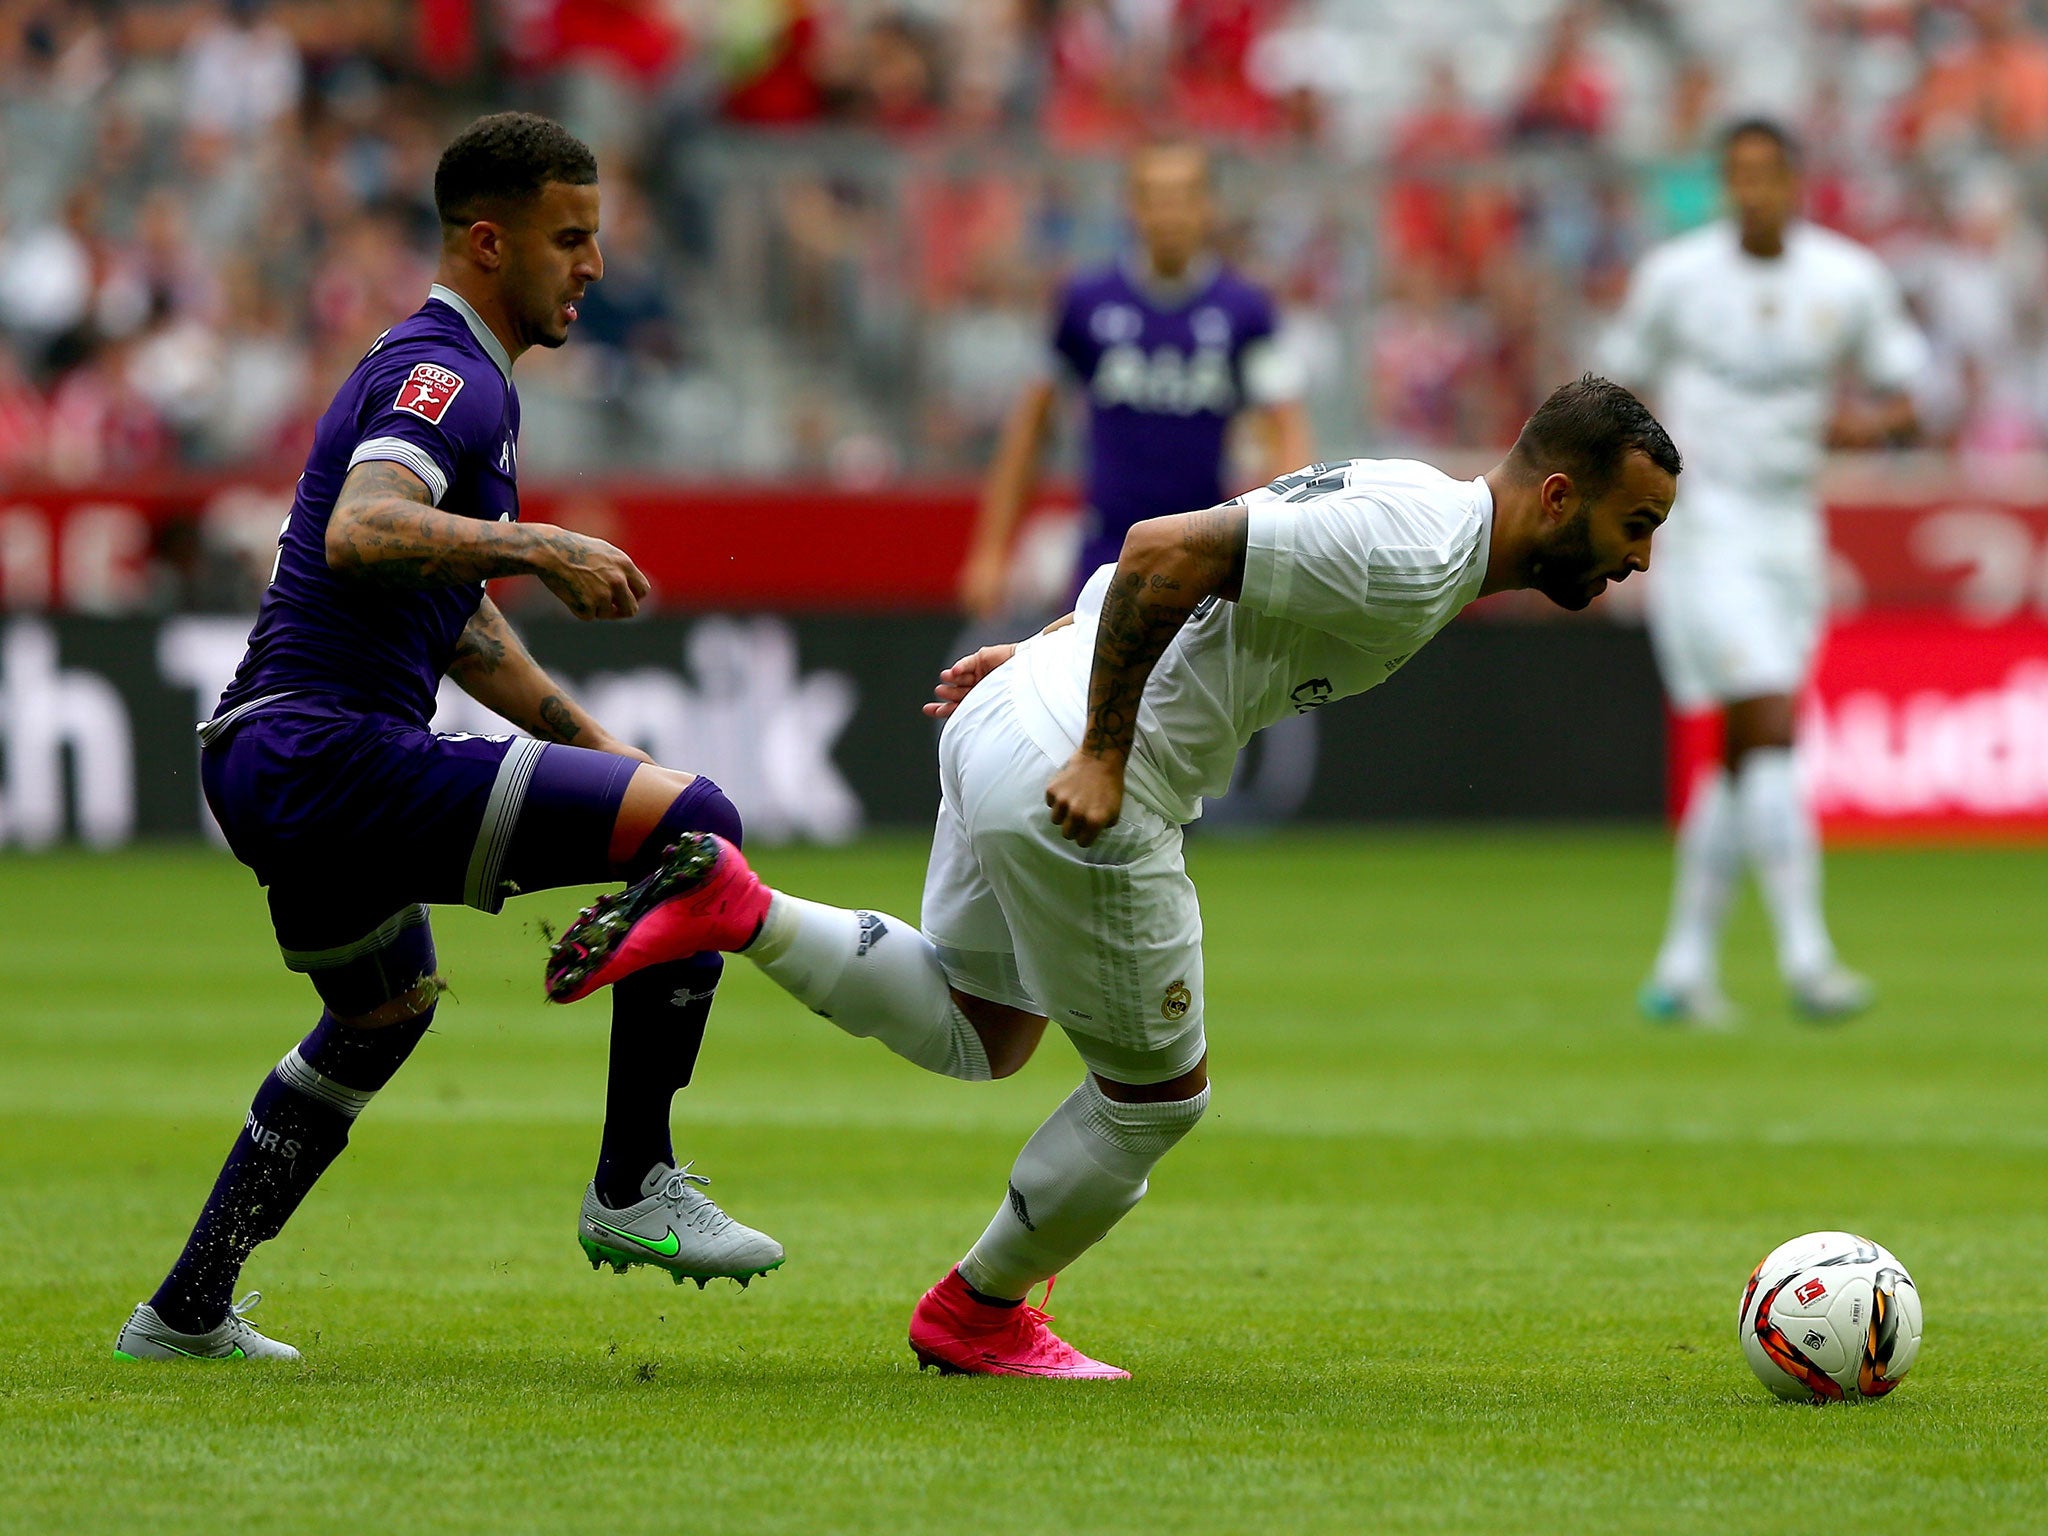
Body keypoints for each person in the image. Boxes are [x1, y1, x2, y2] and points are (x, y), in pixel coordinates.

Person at [541, 375, 1680, 1378]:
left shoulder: (1418, 501)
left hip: (1015, 712)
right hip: (1074, 770)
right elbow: (1157, 549)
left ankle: (735, 907)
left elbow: (1196, 569)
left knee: (981, 1030)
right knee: (1155, 1102)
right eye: (1635, 524)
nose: (1639, 558)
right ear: (1556, 499)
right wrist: (1097, 747)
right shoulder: (1416, 547)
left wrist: (1048, 654)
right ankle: (977, 1313)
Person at [115, 113, 781, 1364]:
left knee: (380, 1015)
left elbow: (455, 623)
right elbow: (363, 533)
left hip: (271, 755)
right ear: (489, 241)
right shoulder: (450, 377)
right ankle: (635, 1183)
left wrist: (597, 743)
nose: (592, 265)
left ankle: (185, 1308)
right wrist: (541, 541)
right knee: (700, 831)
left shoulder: (459, 379)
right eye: (568, 238)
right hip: (323, 749)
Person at [1602, 119, 1928, 1028]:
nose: (1753, 192)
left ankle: (1682, 967)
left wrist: (1873, 426)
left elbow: (1909, 391)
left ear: (1795, 183)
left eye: (1768, 175)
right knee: (1768, 714)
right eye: (1737, 176)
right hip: (1704, 529)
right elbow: (1610, 390)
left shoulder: (1846, 279)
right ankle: (1807, 956)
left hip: (1791, 533)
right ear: (1721, 185)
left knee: (1745, 754)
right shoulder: (1677, 277)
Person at [956, 141, 1311, 623]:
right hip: (1106, 553)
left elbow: (1285, 430)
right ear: (1132, 207)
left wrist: (1289, 550)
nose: (1169, 213)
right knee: (1093, 697)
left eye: (1183, 196)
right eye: (1155, 197)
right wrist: (991, 550)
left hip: (1207, 557)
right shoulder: (1084, 304)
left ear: (1208, 207)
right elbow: (1030, 428)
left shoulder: (1244, 310)